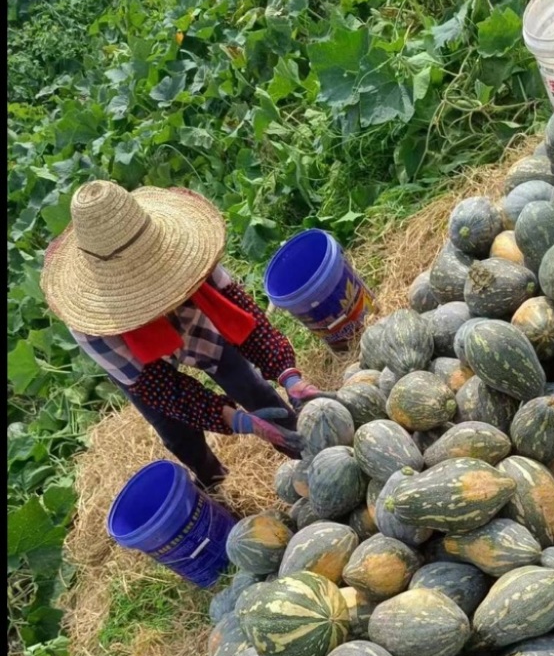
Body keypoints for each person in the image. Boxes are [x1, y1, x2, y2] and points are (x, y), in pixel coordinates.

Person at [40, 180, 334, 491]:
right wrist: (236, 420)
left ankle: (308, 456)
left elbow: (249, 324)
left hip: (196, 320)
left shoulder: (190, 251)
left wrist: (289, 376)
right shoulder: (93, 325)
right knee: (177, 433)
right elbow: (165, 390)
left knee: (251, 387)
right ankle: (214, 482)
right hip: (141, 362)